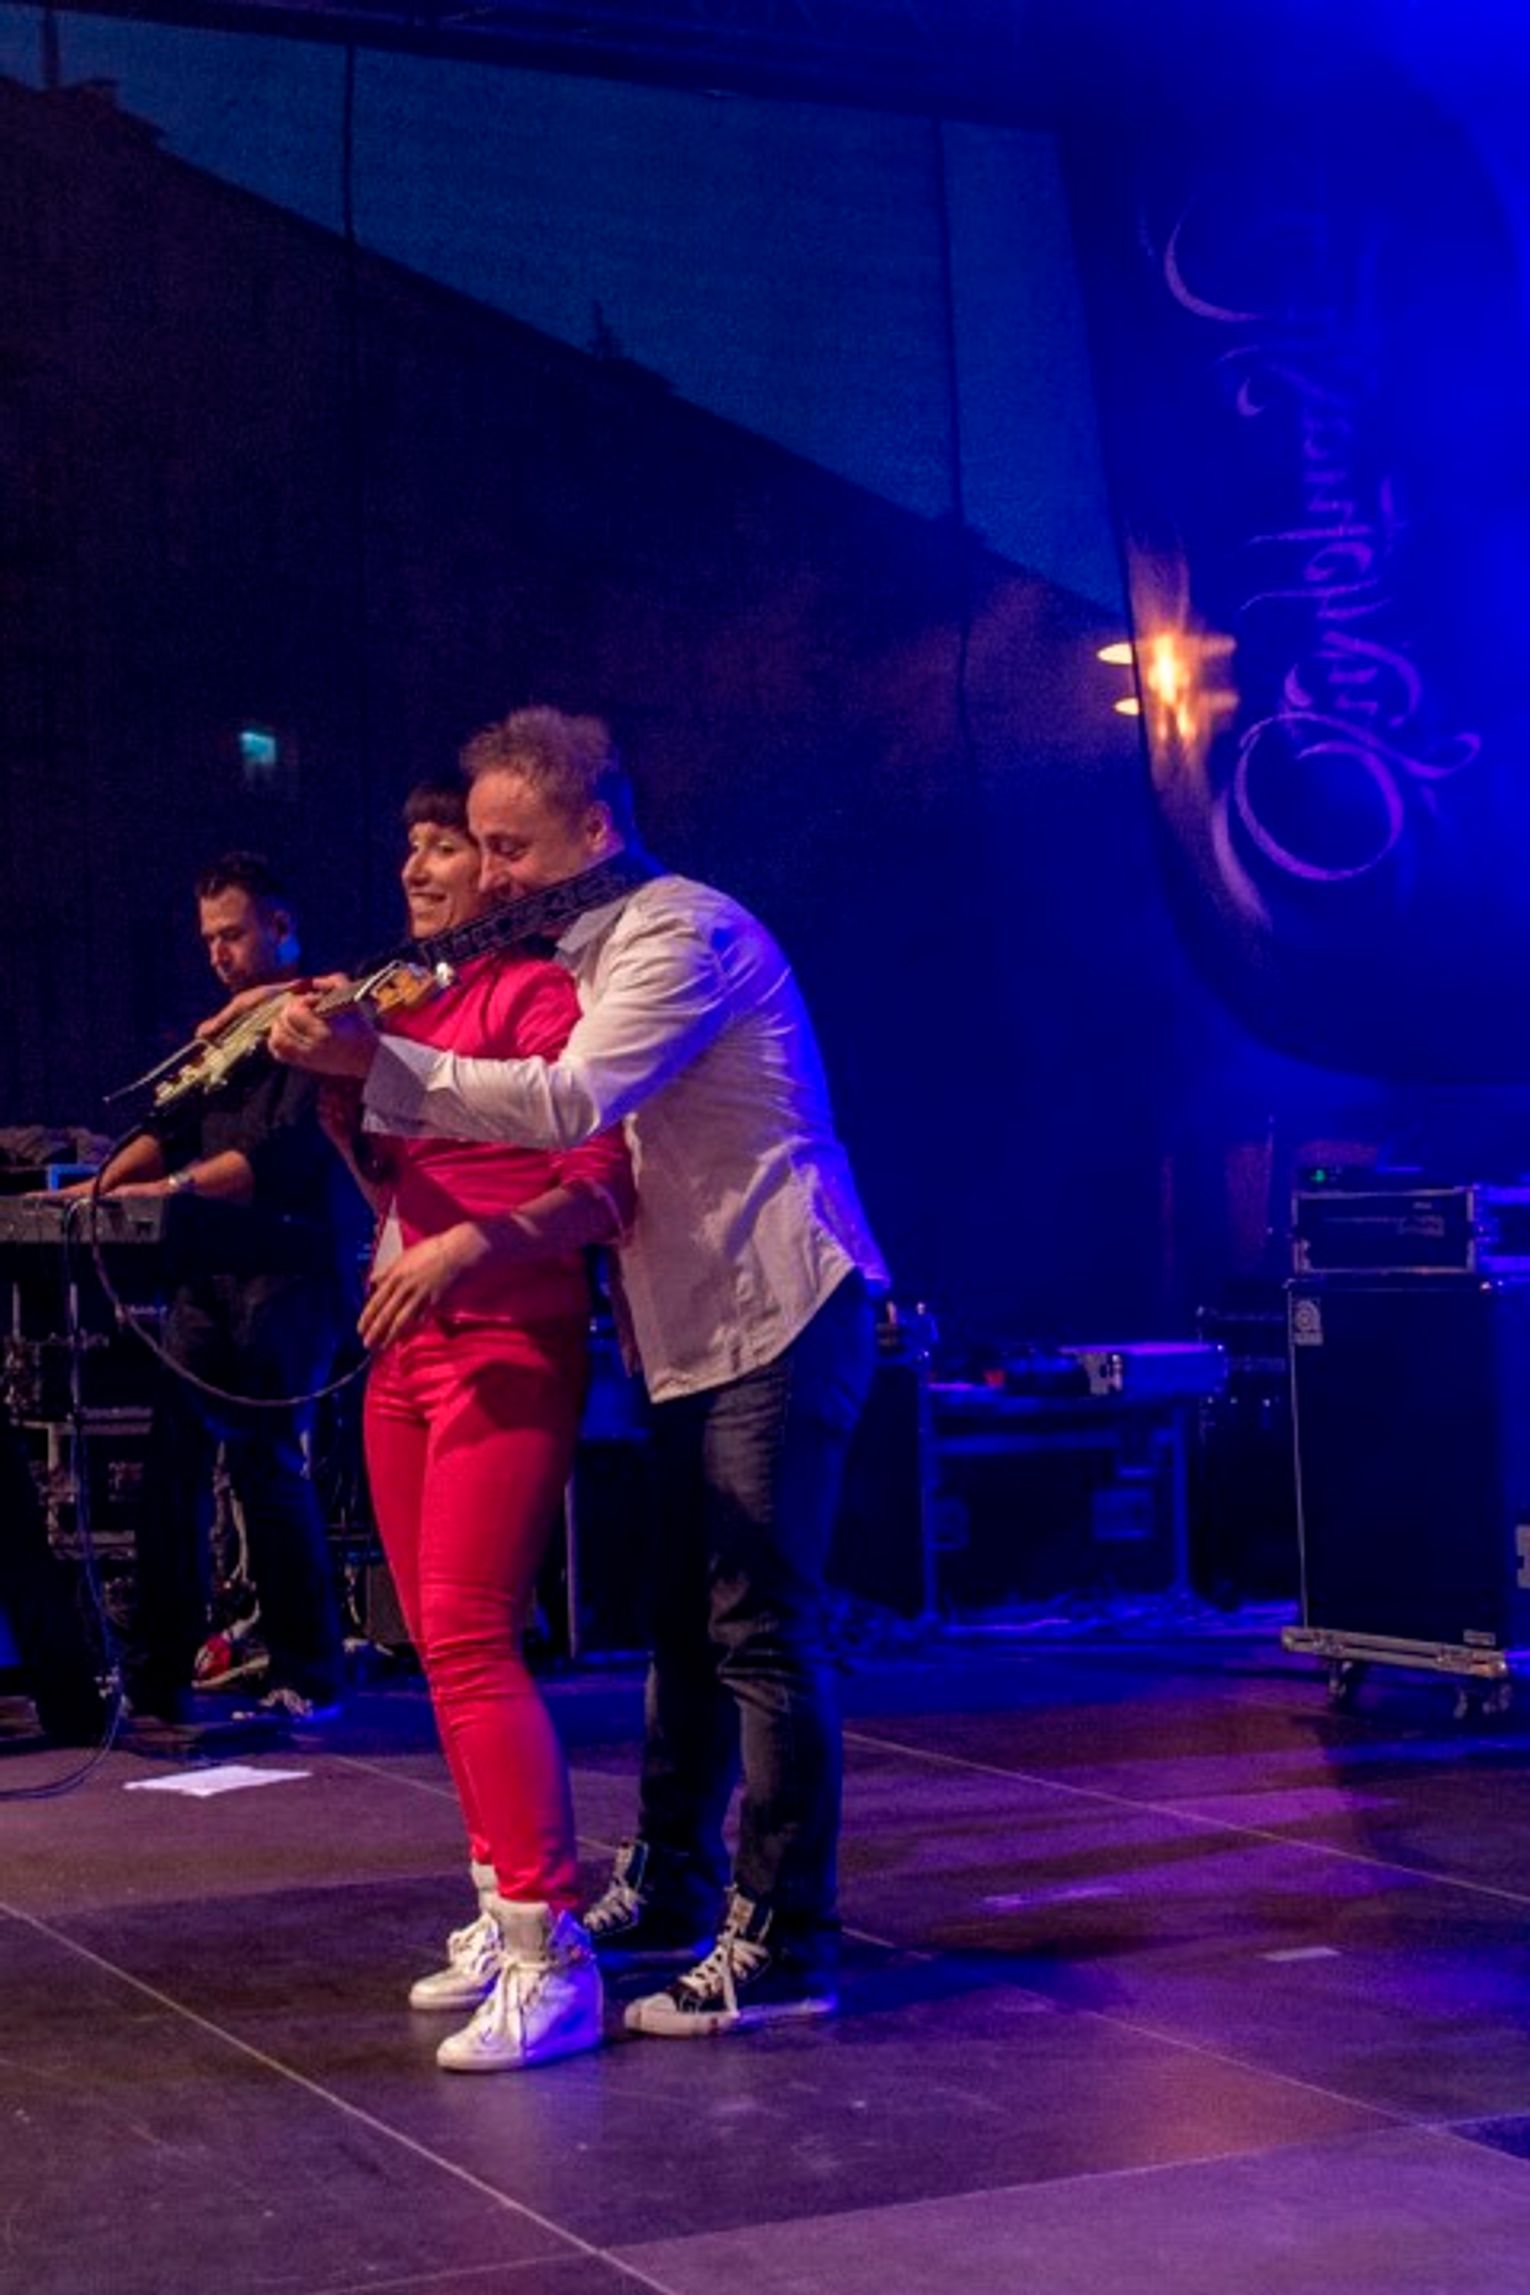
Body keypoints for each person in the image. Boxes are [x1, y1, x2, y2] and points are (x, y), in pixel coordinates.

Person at [270, 707, 888, 2038]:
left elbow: (568, 1105)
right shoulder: (575, 951)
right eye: (477, 846)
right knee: (683, 1621)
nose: (487, 871)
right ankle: (669, 1882)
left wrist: (381, 1059)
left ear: (595, 830)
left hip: (779, 1302)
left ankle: (787, 1941)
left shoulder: (679, 934)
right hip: (688, 1320)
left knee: (760, 1630)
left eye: (510, 846)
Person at [320, 782, 634, 2074]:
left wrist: (463, 1250)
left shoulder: (535, 996)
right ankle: (502, 1905)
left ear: (498, 875)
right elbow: (402, 1187)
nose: (416, 866)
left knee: (468, 1637)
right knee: (436, 1646)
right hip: (406, 1351)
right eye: (408, 845)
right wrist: (334, 1097)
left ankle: (551, 1952)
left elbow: (602, 1189)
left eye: (443, 845)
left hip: (504, 1338)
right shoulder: (411, 1008)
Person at [79, 853, 355, 1729]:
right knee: (173, 1460)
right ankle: (158, 1673)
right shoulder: (223, 1035)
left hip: (289, 1269)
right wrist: (97, 1189)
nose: (218, 954)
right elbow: (170, 1122)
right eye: (208, 940)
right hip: (208, 1272)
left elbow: (284, 1153)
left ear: (281, 924)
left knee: (266, 1462)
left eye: (232, 934)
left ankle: (308, 1671)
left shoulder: (322, 1019)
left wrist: (171, 1191)